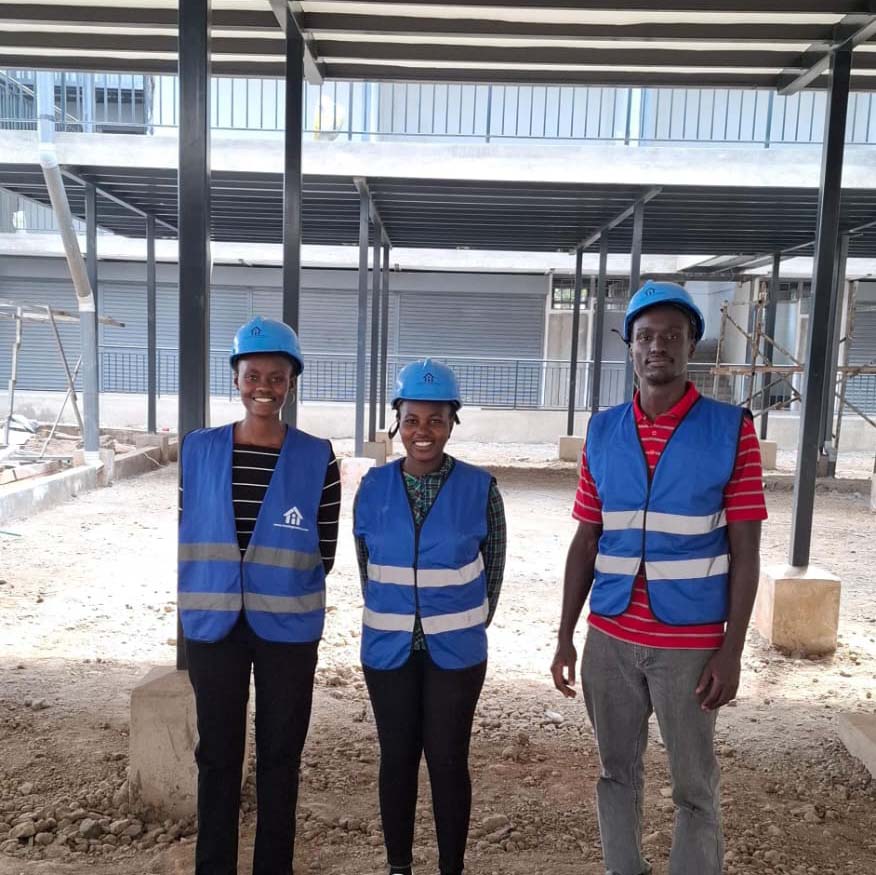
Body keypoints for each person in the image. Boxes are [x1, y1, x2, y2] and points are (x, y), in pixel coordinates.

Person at [551, 282, 766, 875]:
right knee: (614, 774)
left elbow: (746, 552)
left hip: (690, 646)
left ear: (692, 344)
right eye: (645, 336)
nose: (657, 346)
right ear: (630, 346)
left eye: (672, 335)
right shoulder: (602, 431)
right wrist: (566, 635)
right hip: (610, 638)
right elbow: (586, 541)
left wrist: (731, 651)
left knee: (694, 786)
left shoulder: (731, 430)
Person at [178, 316, 341, 875]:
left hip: (288, 629)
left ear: (291, 382)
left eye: (276, 376)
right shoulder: (198, 450)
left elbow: (325, 548)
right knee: (217, 757)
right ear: (236, 379)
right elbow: (191, 526)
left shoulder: (318, 457)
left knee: (280, 757)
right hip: (213, 625)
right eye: (253, 376)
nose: (264, 387)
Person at [353, 359, 507, 875]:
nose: (423, 432)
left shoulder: (481, 489)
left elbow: (493, 571)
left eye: (436, 420)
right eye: (412, 420)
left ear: (451, 423)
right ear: (397, 422)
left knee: (447, 760)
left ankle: (450, 868)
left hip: (456, 653)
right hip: (387, 649)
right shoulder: (372, 488)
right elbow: (367, 568)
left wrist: (463, 621)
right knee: (397, 758)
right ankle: (399, 866)